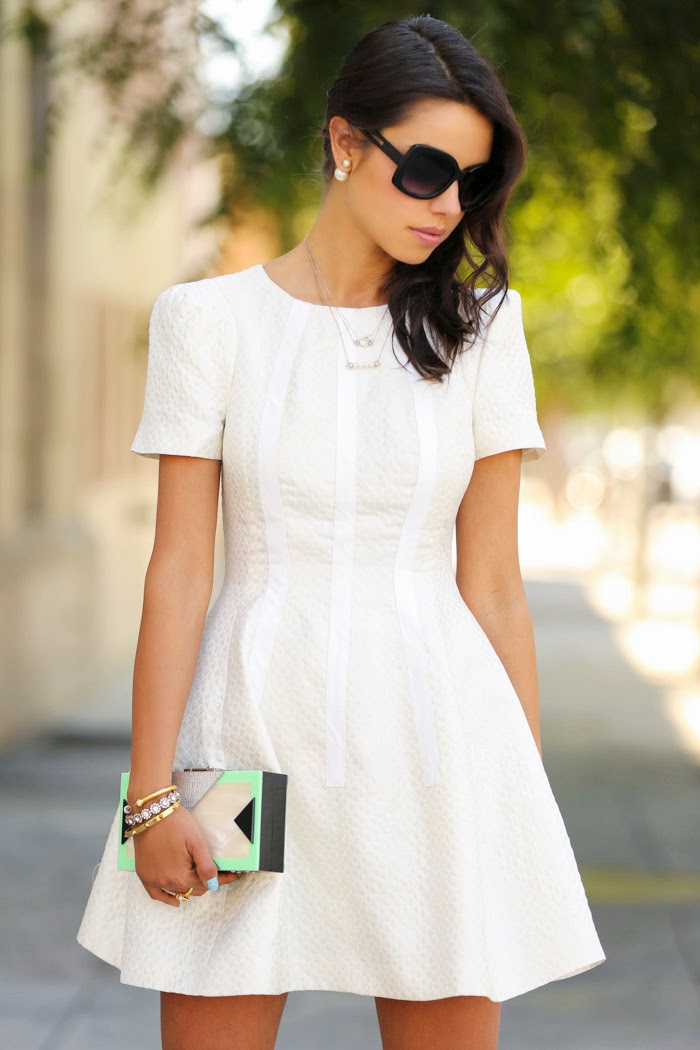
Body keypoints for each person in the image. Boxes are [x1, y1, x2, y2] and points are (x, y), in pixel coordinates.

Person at [77, 14, 606, 1050]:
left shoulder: (484, 332)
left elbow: (492, 584)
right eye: (424, 170)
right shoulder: (209, 320)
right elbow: (179, 571)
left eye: (471, 183)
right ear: (344, 144)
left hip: (437, 746)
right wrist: (149, 801)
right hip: (244, 745)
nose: (448, 206)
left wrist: (517, 799)